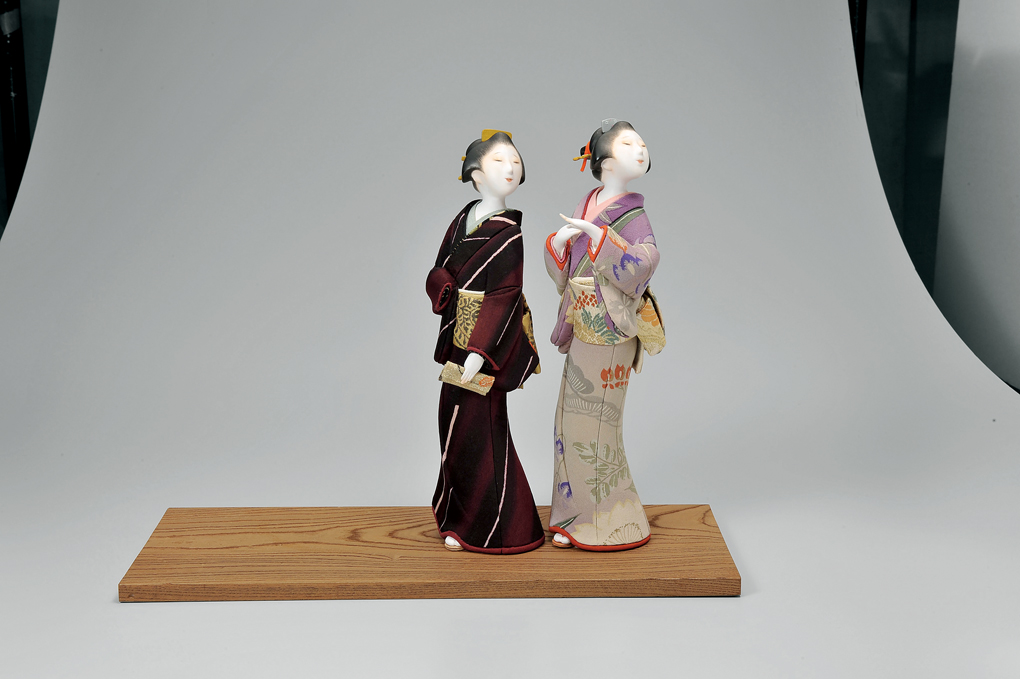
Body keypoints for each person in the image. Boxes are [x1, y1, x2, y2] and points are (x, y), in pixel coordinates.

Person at [544, 119, 665, 551]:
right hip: (584, 322)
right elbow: (565, 269)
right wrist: (559, 244)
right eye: (629, 143)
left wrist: (601, 238)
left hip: (611, 330)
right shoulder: (588, 201)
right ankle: (572, 518)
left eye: (642, 143)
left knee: (598, 428)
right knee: (570, 420)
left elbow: (646, 261)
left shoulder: (634, 215)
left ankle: (613, 523)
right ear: (605, 160)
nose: (641, 148)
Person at [425, 130, 544, 554]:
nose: (511, 168)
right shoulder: (465, 216)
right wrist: (443, 286)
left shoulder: (510, 233)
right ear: (475, 174)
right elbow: (440, 268)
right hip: (460, 335)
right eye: (499, 161)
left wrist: (480, 351)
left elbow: (504, 295)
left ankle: (497, 528)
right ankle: (457, 516)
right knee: (451, 424)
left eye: (515, 161)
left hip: (485, 345)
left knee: (481, 431)